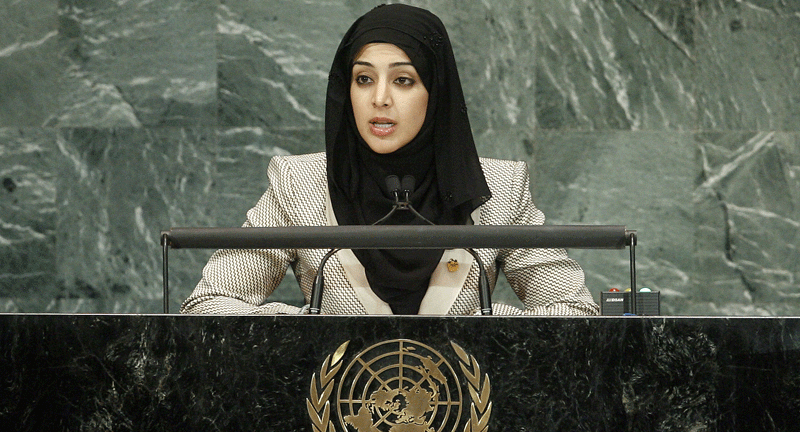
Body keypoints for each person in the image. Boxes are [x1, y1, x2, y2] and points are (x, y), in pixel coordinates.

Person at [181, 4, 599, 316]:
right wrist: (310, 330)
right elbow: (208, 304)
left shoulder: (499, 189)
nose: (379, 98)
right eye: (364, 79)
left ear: (436, 91)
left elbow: (575, 310)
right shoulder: (299, 183)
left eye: (403, 80)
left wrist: (484, 327)